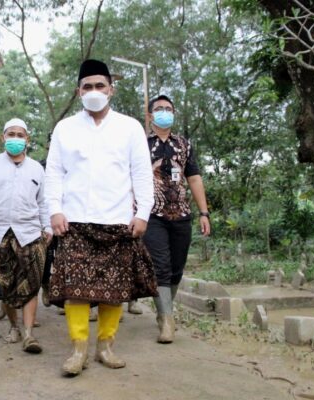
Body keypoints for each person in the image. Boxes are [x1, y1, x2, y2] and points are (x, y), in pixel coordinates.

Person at [45, 59, 157, 376]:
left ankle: (105, 346)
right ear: (78, 91)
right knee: (75, 291)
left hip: (118, 221)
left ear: (111, 89)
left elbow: (141, 175)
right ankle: (78, 349)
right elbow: (53, 173)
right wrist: (54, 208)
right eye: (87, 87)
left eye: (100, 86)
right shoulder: (65, 129)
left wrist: (143, 213)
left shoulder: (130, 127)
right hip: (75, 221)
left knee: (115, 289)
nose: (94, 92)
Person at [0, 118, 52, 354]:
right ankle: (14, 326)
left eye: (20, 135)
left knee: (31, 284)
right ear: (3, 138)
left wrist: (47, 228)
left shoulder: (37, 168)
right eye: (11, 134)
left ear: (27, 139)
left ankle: (29, 334)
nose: (15, 139)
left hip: (30, 234)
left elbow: (43, 202)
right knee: (5, 285)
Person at [143, 94, 211, 344]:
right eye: (159, 109)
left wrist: (204, 213)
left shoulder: (184, 144)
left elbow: (194, 178)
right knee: (160, 265)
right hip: (152, 214)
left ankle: (165, 311)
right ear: (150, 116)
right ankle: (167, 319)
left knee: (176, 268)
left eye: (168, 109)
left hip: (181, 213)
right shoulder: (140, 143)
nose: (164, 112)